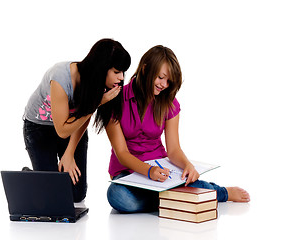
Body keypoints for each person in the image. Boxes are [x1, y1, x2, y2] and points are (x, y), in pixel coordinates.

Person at [106, 45, 250, 213]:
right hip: (128, 172)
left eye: (169, 81)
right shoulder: (115, 99)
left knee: (186, 180)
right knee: (118, 196)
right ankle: (178, 197)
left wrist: (187, 165)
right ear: (145, 69)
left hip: (161, 170)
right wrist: (148, 171)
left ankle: (221, 192)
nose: (164, 85)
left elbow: (173, 149)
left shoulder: (169, 103)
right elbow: (122, 154)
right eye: (160, 77)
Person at [23, 39, 131, 202]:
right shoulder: (61, 77)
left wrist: (69, 153)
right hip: (40, 128)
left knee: (76, 195)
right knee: (52, 196)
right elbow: (62, 130)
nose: (121, 77)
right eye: (117, 72)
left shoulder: (100, 84)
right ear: (102, 68)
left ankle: (48, 176)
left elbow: (82, 120)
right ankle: (34, 177)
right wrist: (97, 103)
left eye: (123, 72)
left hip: (73, 126)